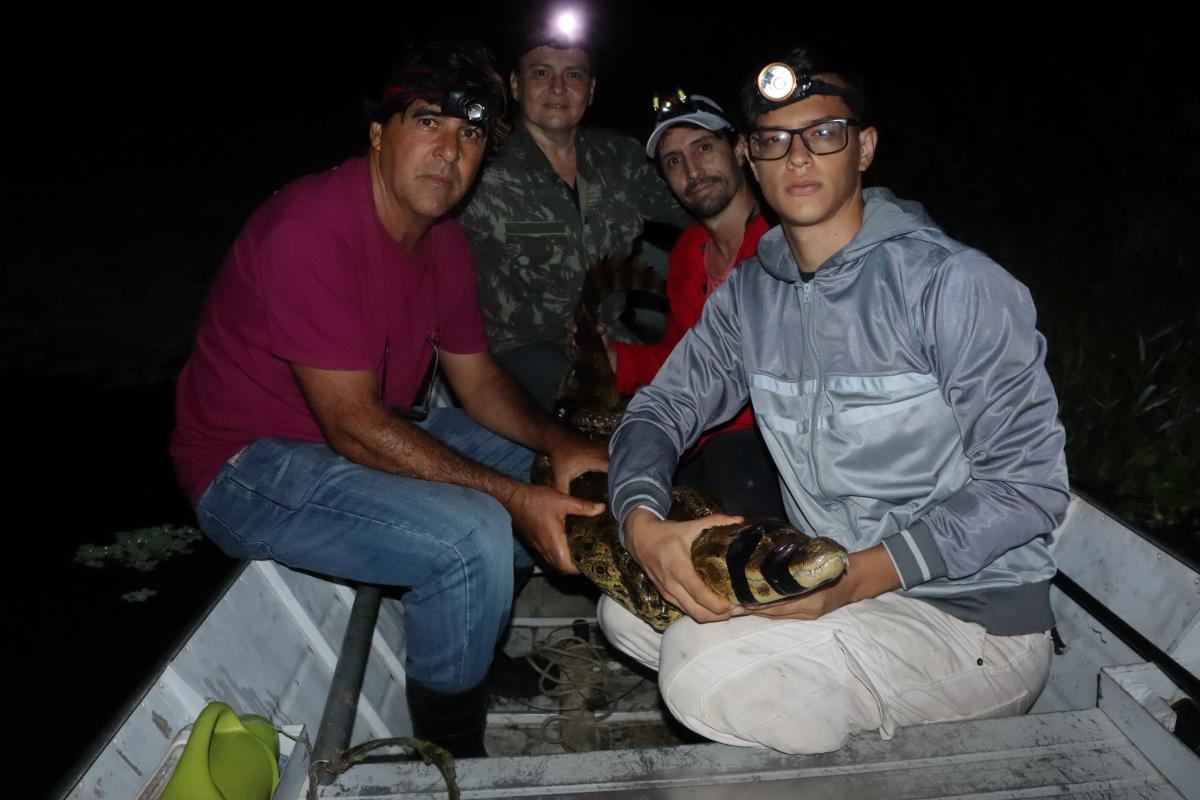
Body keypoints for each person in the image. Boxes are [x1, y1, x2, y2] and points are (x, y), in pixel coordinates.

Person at [602, 47, 1069, 755]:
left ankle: (835, 744)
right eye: (773, 140)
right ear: (751, 162)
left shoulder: (951, 283)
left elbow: (1028, 488)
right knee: (626, 611)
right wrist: (641, 523)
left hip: (971, 620)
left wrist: (857, 579)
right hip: (833, 577)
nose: (798, 158)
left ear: (865, 148)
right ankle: (811, 713)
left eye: (825, 132)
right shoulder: (749, 297)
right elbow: (658, 411)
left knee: (697, 668)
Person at [170, 41, 607, 758]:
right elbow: (354, 428)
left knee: (555, 475)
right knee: (472, 536)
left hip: (367, 425)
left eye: (469, 134)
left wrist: (560, 443)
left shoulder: (444, 243)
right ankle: (450, 751)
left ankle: (472, 654)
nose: (449, 150)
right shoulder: (310, 230)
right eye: (428, 122)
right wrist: (511, 500)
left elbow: (477, 380)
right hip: (247, 467)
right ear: (379, 134)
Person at [458, 22, 689, 409]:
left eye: (574, 75)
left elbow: (702, 213)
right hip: (518, 348)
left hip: (612, 339)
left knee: (688, 404)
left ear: (591, 90)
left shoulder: (622, 158)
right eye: (541, 72)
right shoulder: (480, 163)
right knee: (602, 413)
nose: (558, 88)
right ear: (515, 85)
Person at [605, 89, 784, 517]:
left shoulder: (784, 241)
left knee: (730, 483)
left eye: (703, 147)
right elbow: (684, 356)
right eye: (673, 160)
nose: (692, 169)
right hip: (701, 431)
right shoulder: (689, 250)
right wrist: (617, 360)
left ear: (740, 148)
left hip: (767, 434)